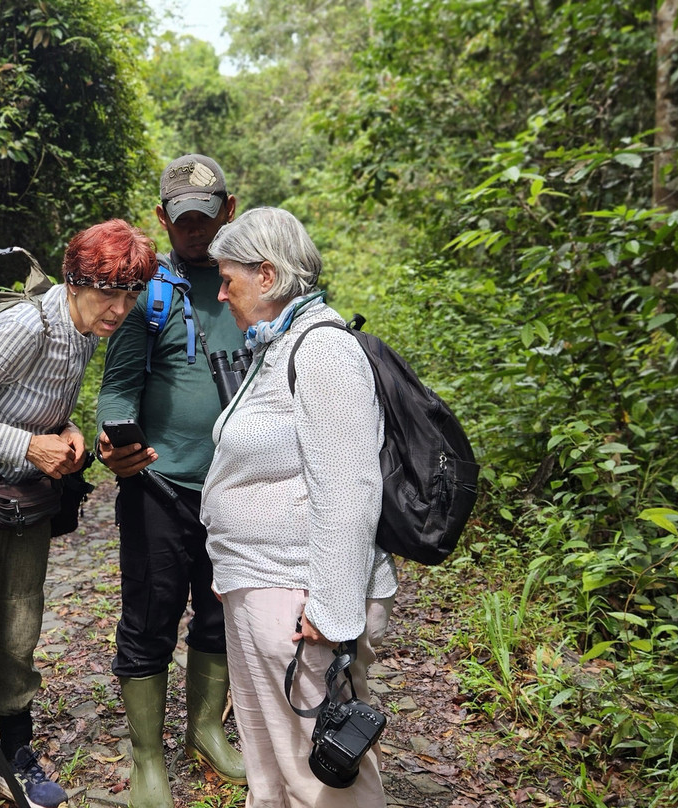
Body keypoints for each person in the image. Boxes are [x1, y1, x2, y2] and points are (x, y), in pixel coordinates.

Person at [0, 220, 157, 808]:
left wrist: (65, 430)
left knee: (20, 624)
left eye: (131, 295)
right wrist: (28, 445)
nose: (120, 309)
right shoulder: (25, 326)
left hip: (22, 491)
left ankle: (15, 758)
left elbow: (33, 402)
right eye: (108, 293)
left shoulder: (86, 331)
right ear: (73, 281)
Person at [199, 206, 398, 807]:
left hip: (298, 593)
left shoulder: (323, 351)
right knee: (271, 759)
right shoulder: (278, 344)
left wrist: (333, 610)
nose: (221, 293)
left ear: (266, 275)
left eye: (228, 279)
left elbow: (350, 490)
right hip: (262, 580)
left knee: (321, 770)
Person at [95, 154, 245, 808]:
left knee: (221, 612)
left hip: (237, 491)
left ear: (228, 210)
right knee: (149, 618)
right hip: (158, 488)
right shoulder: (147, 291)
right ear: (162, 218)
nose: (194, 230)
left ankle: (206, 729)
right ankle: (147, 758)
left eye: (205, 217)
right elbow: (117, 387)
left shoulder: (253, 282)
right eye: (182, 219)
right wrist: (111, 439)